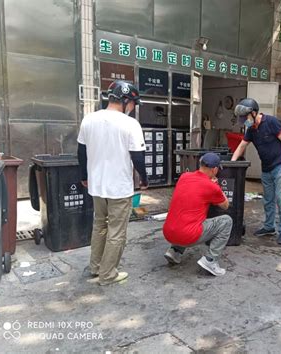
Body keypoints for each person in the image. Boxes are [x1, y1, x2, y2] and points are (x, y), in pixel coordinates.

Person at [77, 80, 148, 286]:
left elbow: (81, 153)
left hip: (96, 186)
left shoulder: (89, 119)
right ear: (126, 100)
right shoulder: (130, 124)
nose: (133, 108)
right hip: (118, 187)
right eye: (134, 103)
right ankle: (108, 275)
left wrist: (84, 176)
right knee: (117, 231)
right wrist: (144, 179)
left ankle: (96, 267)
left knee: (100, 225)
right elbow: (138, 157)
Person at [231, 98, 281, 245]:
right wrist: (231, 164)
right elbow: (241, 146)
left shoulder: (271, 122)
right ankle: (269, 227)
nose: (244, 121)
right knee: (268, 200)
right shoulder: (251, 129)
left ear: (253, 113)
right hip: (266, 169)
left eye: (245, 117)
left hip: (280, 167)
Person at [162, 153, 232, 276]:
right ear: (214, 169)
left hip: (168, 232)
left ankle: (174, 251)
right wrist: (216, 185)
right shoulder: (211, 186)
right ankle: (210, 260)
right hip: (188, 235)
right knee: (226, 221)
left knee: (186, 215)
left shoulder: (184, 176)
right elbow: (225, 206)